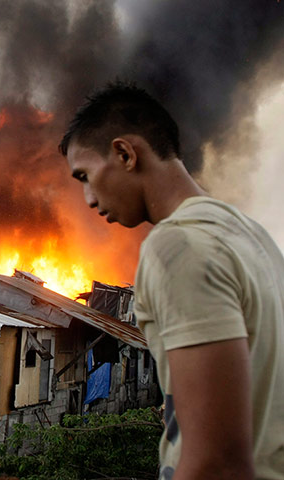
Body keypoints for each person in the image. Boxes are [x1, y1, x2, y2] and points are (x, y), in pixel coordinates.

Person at [59, 82, 283, 479]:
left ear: (125, 153)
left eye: (86, 176)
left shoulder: (176, 246)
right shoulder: (251, 236)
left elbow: (216, 460)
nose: (89, 199)